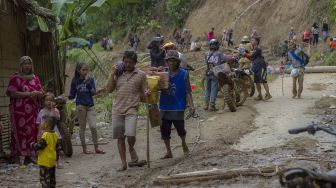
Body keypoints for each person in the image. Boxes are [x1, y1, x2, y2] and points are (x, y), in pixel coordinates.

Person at [106, 51, 148, 171]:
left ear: (135, 62)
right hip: (117, 109)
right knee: (120, 138)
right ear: (123, 62)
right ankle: (123, 163)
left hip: (132, 108)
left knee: (130, 134)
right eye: (126, 62)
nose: (128, 64)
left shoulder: (141, 75)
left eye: (130, 62)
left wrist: (147, 93)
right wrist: (112, 74)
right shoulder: (117, 73)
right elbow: (109, 89)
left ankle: (131, 147)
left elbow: (144, 91)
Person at [6, 56, 43, 165]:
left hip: (33, 111)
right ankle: (16, 155)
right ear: (20, 66)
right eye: (24, 64)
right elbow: (11, 93)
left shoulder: (35, 78)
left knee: (31, 132)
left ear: (31, 65)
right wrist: (28, 94)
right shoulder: (15, 78)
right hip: (19, 111)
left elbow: (41, 92)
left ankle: (29, 156)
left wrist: (39, 94)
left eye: (29, 63)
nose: (27, 66)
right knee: (19, 131)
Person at [159, 50, 195, 159]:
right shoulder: (162, 73)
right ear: (166, 61)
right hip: (165, 105)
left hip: (178, 106)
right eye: (169, 61)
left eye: (173, 61)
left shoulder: (184, 74)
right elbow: (154, 86)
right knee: (164, 130)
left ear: (177, 62)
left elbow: (188, 91)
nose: (171, 63)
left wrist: (191, 105)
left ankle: (184, 143)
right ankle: (168, 151)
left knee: (180, 129)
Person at [68, 62, 105, 154]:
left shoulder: (91, 79)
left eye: (86, 70)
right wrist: (69, 96)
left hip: (90, 106)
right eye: (83, 70)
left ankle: (97, 147)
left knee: (93, 126)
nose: (85, 72)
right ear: (78, 70)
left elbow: (93, 93)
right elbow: (72, 95)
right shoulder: (75, 81)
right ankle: (84, 149)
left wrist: (88, 84)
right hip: (80, 106)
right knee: (82, 128)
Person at [30, 116, 59, 188]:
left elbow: (40, 146)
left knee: (44, 179)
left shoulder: (45, 135)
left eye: (42, 122)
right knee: (52, 178)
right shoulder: (55, 134)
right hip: (52, 160)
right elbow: (57, 148)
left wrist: (33, 144)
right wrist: (56, 158)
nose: (41, 123)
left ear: (46, 124)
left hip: (45, 161)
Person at [36, 92, 63, 168]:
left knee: (56, 147)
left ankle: (58, 160)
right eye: (47, 100)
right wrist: (38, 134)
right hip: (44, 132)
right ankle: (45, 161)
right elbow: (39, 123)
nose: (49, 102)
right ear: (44, 102)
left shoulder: (55, 110)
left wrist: (52, 109)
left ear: (53, 101)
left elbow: (57, 118)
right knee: (44, 147)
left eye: (51, 100)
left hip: (53, 132)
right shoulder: (41, 112)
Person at [204, 39, 227, 111]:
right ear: (217, 45)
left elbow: (206, 62)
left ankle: (205, 105)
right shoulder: (219, 53)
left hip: (208, 73)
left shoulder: (206, 53)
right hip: (215, 73)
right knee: (214, 89)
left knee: (208, 89)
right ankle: (212, 105)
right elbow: (225, 59)